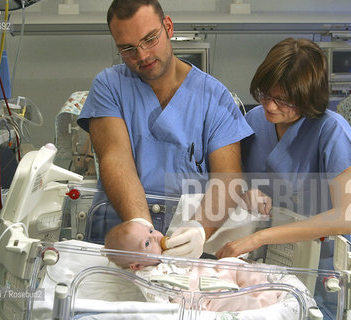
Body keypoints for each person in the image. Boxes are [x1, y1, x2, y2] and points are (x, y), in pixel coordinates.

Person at [77, 0, 254, 257]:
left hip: (186, 238)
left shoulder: (214, 96)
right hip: (123, 236)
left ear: (168, 27)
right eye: (128, 49)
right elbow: (115, 159)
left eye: (150, 39)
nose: (143, 56)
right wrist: (142, 231)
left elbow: (228, 179)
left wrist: (199, 229)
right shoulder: (109, 86)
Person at [216, 37, 351, 260]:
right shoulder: (255, 120)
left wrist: (261, 238)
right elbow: (235, 182)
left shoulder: (331, 130)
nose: (269, 105)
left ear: (309, 97)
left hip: (318, 260)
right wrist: (245, 194)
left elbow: (349, 217)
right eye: (265, 93)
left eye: (283, 101)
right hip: (263, 256)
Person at [103, 220, 296, 313]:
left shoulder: (165, 255)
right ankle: (263, 302)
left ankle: (260, 285)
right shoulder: (149, 277)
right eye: (147, 243)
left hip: (211, 274)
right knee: (234, 303)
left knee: (233, 264)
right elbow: (161, 307)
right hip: (204, 298)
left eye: (151, 230)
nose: (156, 236)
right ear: (136, 265)